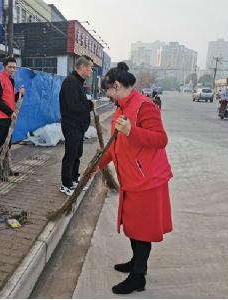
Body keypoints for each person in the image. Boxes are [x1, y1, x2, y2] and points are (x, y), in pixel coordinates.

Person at [93, 62, 173, 294]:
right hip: (131, 178)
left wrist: (132, 132)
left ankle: (138, 276)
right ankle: (136, 262)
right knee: (132, 226)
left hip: (147, 180)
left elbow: (160, 139)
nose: (106, 94)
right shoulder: (121, 107)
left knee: (142, 230)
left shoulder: (144, 107)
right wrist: (97, 166)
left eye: (107, 90)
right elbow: (113, 144)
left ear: (116, 86)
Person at [59, 55, 96, 195]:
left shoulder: (78, 82)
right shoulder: (71, 82)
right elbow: (74, 105)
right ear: (82, 67)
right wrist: (89, 105)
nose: (91, 71)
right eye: (90, 68)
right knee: (70, 154)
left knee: (77, 153)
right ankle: (66, 184)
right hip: (71, 125)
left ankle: (74, 178)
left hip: (78, 126)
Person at [0, 57, 25, 179]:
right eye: (10, 67)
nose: (12, 69)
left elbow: (10, 99)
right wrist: (10, 111)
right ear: (3, 67)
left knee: (7, 145)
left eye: (14, 67)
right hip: (0, 118)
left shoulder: (11, 80)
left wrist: (19, 94)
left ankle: (6, 169)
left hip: (8, 117)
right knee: (1, 145)